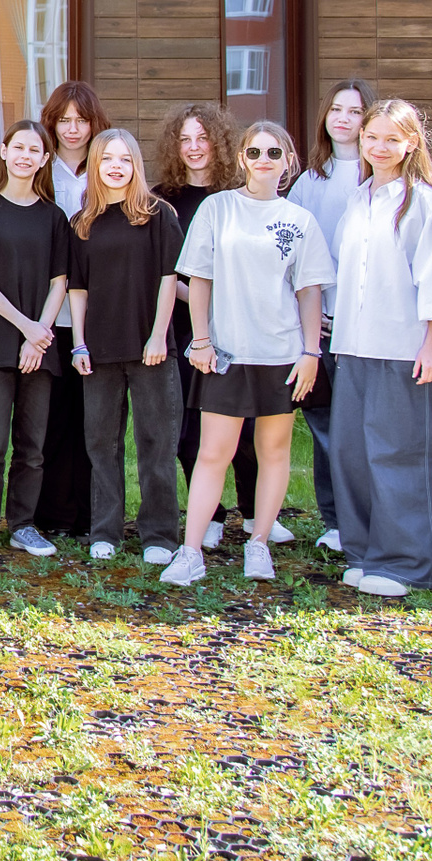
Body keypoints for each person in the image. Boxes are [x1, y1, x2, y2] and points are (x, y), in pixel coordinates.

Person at [162, 122, 334, 588]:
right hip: (226, 354)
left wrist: (311, 351)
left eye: (274, 153)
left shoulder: (299, 220)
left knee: (273, 452)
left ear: (288, 161)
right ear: (241, 158)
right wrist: (201, 340)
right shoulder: (218, 208)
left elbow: (308, 291)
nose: (263, 160)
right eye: (254, 152)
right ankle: (190, 551)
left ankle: (258, 543)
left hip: (281, 354)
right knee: (212, 453)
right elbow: (199, 279)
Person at [329, 100, 432, 597]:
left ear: (411, 143)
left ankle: (404, 563)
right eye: (371, 137)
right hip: (353, 346)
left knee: (398, 454)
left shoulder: (421, 203)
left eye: (391, 139)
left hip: (402, 348)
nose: (379, 147)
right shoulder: (358, 199)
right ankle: (364, 552)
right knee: (352, 453)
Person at [69, 128, 184, 565]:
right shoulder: (83, 222)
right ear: (95, 165)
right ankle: (106, 531)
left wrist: (158, 335)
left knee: (156, 442)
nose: (115, 167)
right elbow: (77, 289)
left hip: (150, 348)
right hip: (99, 351)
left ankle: (159, 535)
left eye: (124, 159)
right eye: (106, 159)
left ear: (136, 164)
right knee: (102, 444)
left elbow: (169, 279)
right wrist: (79, 344)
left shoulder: (158, 215)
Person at [153, 102, 264, 549]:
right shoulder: (161, 199)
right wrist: (200, 300)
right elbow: (162, 269)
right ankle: (211, 514)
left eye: (202, 138)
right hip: (184, 327)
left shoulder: (242, 193)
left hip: (241, 325)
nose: (194, 147)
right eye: (185, 139)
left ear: (219, 142)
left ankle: (255, 513)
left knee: (247, 427)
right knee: (190, 429)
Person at [0, 121, 68, 561]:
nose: (25, 156)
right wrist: (26, 328)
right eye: (18, 147)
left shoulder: (54, 217)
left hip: (39, 347)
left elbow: (60, 282)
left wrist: (39, 335)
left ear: (44, 160)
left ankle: (23, 525)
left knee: (32, 447)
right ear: (4, 152)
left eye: (34, 150)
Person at [285, 80, 377, 553]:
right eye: (336, 109)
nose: (343, 119)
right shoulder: (309, 182)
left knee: (364, 428)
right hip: (320, 324)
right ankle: (336, 522)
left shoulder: (380, 176)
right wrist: (309, 315)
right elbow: (291, 257)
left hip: (370, 326)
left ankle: (372, 519)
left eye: (355, 111)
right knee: (325, 427)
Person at [36, 82, 111, 536]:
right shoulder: (42, 171)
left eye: (81, 120)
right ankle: (51, 514)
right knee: (52, 416)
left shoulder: (106, 168)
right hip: (50, 313)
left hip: (96, 311)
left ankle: (90, 515)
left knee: (94, 420)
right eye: (64, 120)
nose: (72, 129)